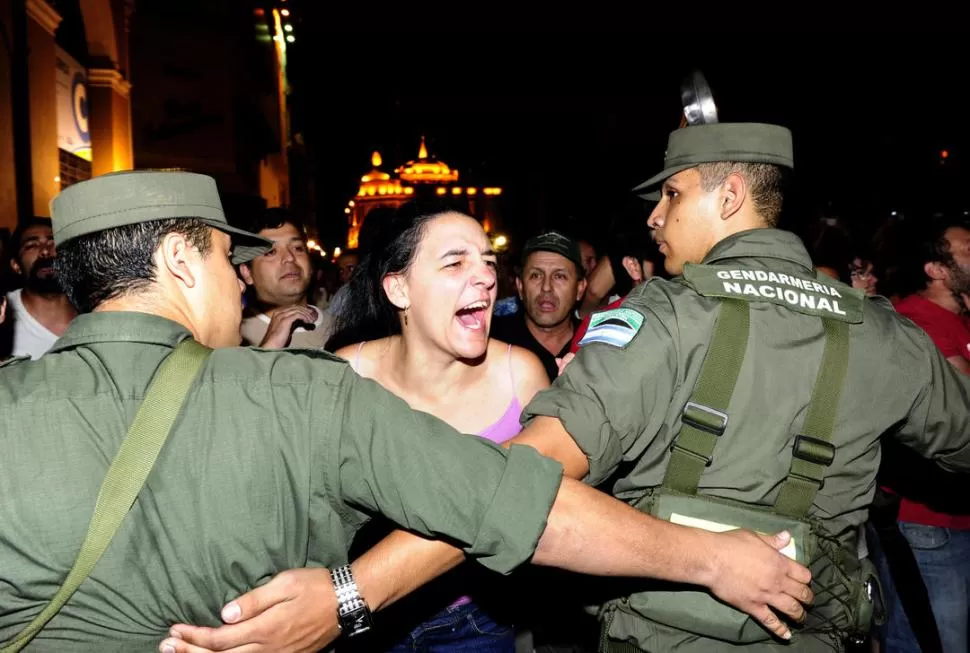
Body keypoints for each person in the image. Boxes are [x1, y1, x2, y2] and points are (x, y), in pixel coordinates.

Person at [174, 123, 970, 653]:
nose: (655, 218)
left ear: (730, 197)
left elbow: (514, 483)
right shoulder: (882, 331)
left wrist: (350, 595)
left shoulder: (665, 319)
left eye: (672, 194)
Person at [0, 170, 812, 652]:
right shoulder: (300, 393)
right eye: (224, 257)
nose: (241, 278)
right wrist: (713, 560)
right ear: (178, 260)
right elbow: (517, 501)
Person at [327, 200, 549, 651]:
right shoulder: (347, 374)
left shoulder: (520, 376)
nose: (487, 276)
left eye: (489, 262)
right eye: (455, 262)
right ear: (399, 290)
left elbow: (550, 515)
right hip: (364, 623)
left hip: (478, 624)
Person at [238, 208, 334, 349]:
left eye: (298, 248)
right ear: (247, 273)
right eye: (271, 252)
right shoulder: (232, 337)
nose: (289, 258)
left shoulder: (343, 330)